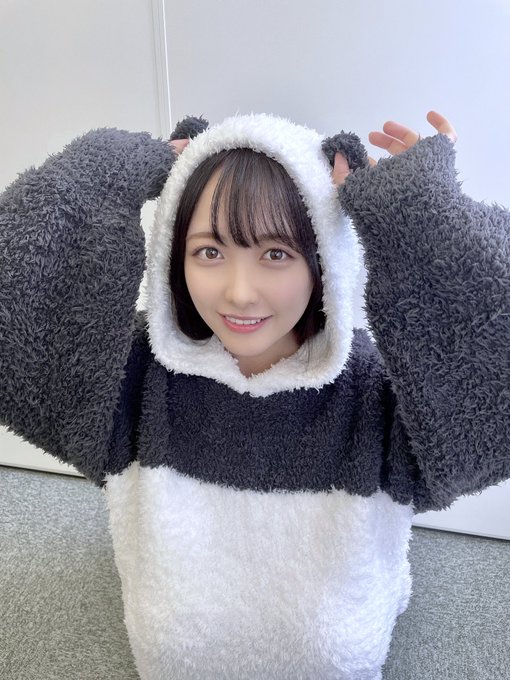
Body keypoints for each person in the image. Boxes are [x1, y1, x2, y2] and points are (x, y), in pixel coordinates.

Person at [0, 110, 508, 680]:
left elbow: (494, 403)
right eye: (209, 252)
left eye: (276, 254)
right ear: (174, 254)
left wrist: (425, 219)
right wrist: (107, 166)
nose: (240, 294)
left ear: (321, 261)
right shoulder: (129, 379)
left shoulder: (374, 393)